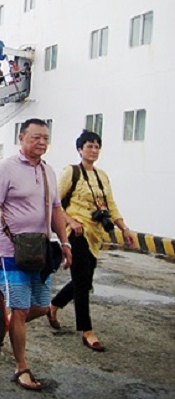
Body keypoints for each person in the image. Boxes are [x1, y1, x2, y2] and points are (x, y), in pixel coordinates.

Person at [0, 118, 72, 391]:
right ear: (22, 137)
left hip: (42, 251)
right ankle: (21, 366)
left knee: (42, 306)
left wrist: (65, 242)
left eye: (45, 138)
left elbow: (56, 210)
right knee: (21, 308)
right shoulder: (5, 168)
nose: (42, 142)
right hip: (12, 252)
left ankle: (5, 328)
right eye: (36, 137)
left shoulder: (48, 171)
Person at [49, 130, 134, 352]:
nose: (93, 150)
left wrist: (124, 228)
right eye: (89, 146)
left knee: (83, 280)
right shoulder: (72, 172)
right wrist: (71, 221)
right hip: (76, 234)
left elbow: (111, 204)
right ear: (80, 149)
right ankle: (87, 331)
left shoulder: (102, 176)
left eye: (97, 146)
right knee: (83, 282)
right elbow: (55, 201)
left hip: (95, 236)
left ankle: (54, 305)